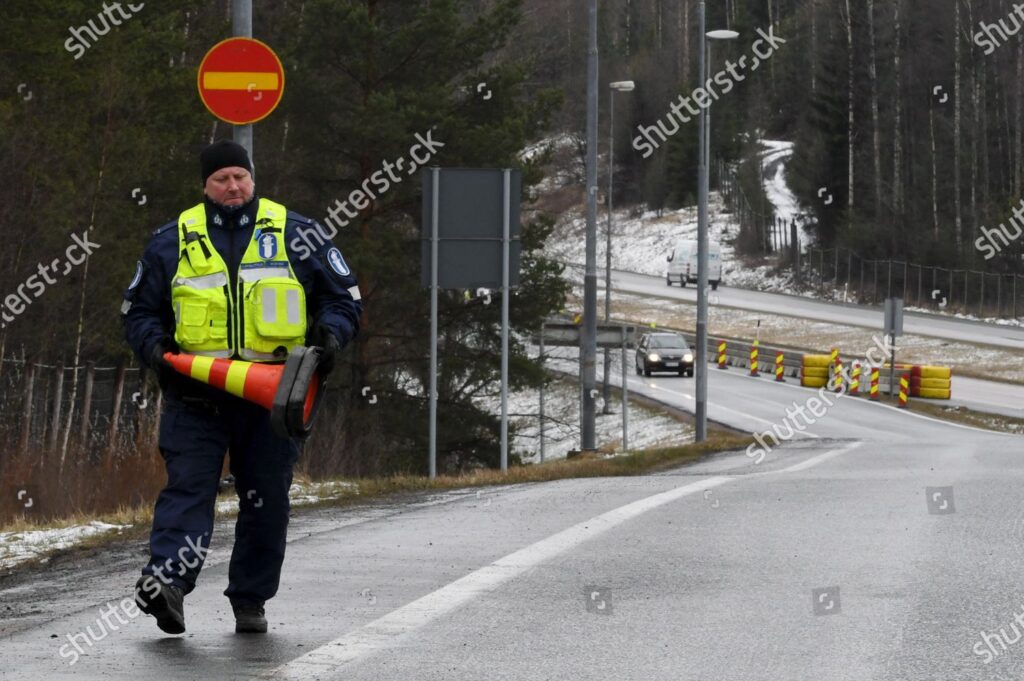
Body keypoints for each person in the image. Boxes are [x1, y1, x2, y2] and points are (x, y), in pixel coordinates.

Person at [122, 140, 362, 634]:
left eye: (240, 177)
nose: (233, 187)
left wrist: (330, 335)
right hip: (196, 399)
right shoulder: (172, 241)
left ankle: (250, 599)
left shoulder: (299, 234)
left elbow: (344, 299)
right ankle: (166, 585)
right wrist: (154, 349)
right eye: (221, 179)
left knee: (266, 500)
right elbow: (138, 312)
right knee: (188, 491)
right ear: (205, 186)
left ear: (253, 179)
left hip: (274, 400)